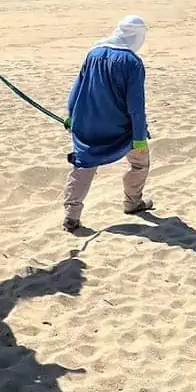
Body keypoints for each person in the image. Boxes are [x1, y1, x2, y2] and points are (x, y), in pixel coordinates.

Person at [62, 14, 152, 233]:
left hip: (88, 122)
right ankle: (132, 202)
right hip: (120, 128)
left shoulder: (94, 53)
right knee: (140, 163)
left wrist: (71, 115)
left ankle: (71, 216)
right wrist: (139, 137)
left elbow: (78, 87)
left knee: (84, 165)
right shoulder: (132, 63)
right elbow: (135, 106)